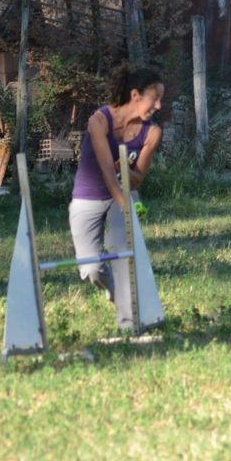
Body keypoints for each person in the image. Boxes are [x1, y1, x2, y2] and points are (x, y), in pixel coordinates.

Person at [69, 65, 163, 329]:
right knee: (91, 268)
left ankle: (129, 323)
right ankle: (114, 292)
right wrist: (122, 197)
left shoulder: (152, 133)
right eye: (154, 99)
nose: (158, 106)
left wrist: (126, 192)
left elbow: (137, 178)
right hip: (89, 195)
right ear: (135, 96)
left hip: (124, 195)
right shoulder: (99, 121)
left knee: (123, 254)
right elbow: (106, 173)